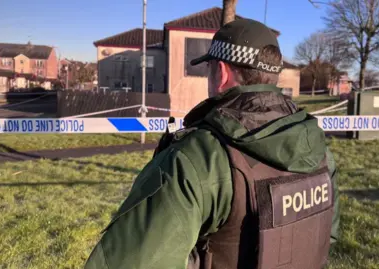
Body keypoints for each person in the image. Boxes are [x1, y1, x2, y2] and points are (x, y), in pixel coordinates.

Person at [84, 18, 340, 269]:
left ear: (222, 71)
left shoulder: (197, 157)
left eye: (208, 70)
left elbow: (130, 261)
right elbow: (326, 235)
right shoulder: (317, 146)